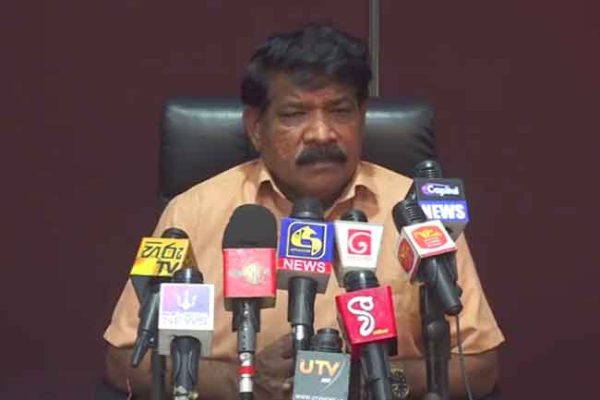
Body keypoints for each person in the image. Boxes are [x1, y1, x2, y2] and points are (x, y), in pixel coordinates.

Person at [104, 23, 504, 399]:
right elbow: (124, 361)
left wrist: (367, 378)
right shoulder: (192, 212)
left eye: (340, 111)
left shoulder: (417, 212)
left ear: (363, 118)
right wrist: (245, 379)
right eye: (295, 114)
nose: (321, 133)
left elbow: (479, 365)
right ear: (256, 127)